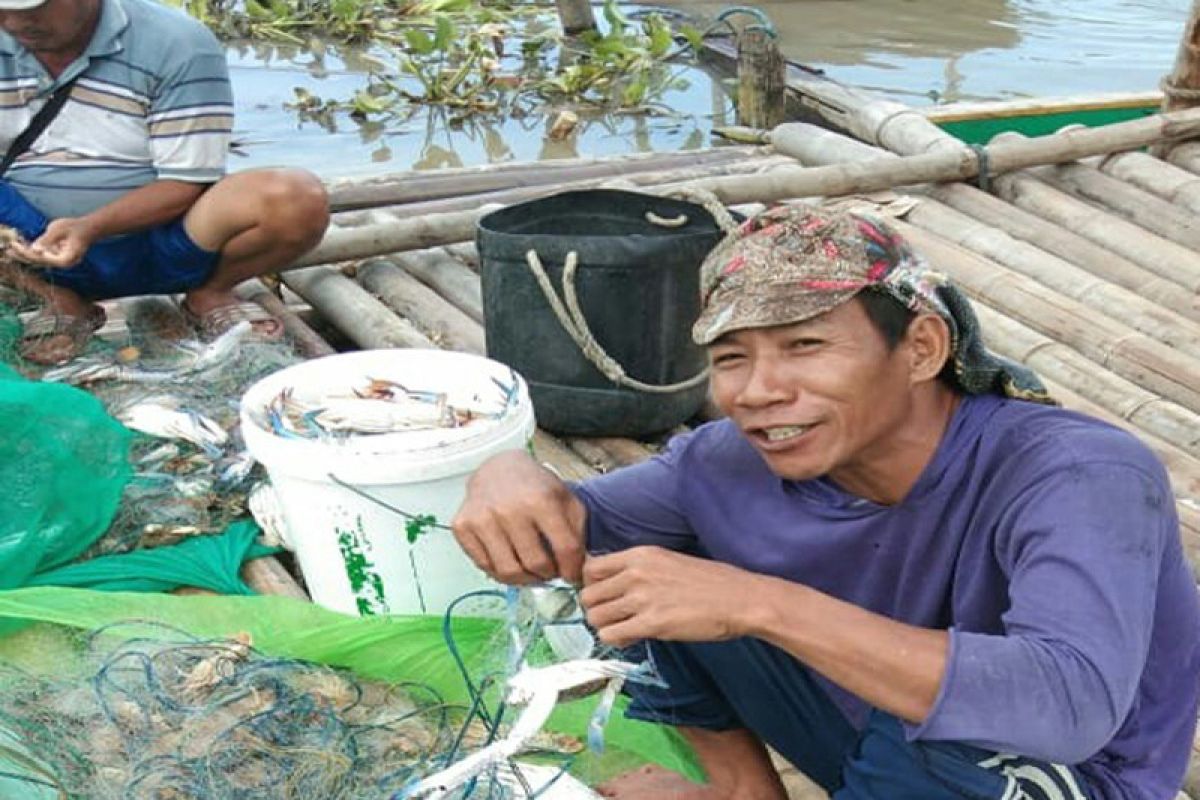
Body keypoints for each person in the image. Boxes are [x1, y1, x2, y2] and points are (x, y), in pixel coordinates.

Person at [452, 205, 1200, 800]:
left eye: (805, 346)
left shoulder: (1077, 473)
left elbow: (1067, 706)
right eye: (731, 358)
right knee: (642, 570)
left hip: (1047, 774)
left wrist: (759, 603)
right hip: (873, 729)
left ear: (921, 349)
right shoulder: (723, 463)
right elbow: (575, 524)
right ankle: (743, 790)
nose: (760, 390)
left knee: (935, 753)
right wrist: (504, 473)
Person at [0, 0, 329, 364]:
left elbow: (186, 182)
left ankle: (211, 291)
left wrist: (88, 228)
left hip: (166, 242)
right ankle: (54, 296)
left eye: (34, 8)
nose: (14, 23)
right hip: (29, 244)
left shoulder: (177, 43)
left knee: (295, 198)